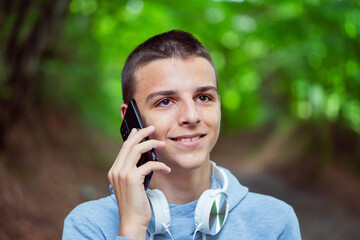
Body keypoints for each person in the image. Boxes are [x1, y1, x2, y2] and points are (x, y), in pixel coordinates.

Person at [62, 30, 301, 240]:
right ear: (130, 119)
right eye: (165, 101)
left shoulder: (276, 222)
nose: (192, 116)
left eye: (203, 97)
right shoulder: (88, 226)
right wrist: (132, 228)